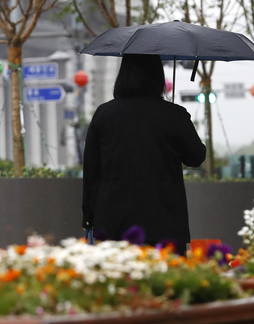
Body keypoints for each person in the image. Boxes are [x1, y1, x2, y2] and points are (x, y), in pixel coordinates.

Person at [82, 54, 206, 256]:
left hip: (114, 223)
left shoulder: (104, 114)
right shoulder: (173, 114)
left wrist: (88, 218)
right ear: (157, 76)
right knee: (167, 284)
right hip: (165, 222)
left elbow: (91, 170)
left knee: (122, 283)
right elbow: (195, 157)